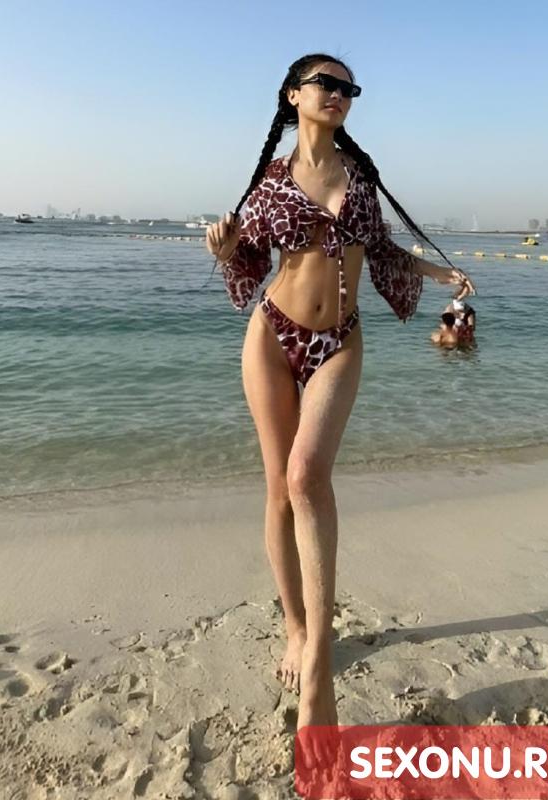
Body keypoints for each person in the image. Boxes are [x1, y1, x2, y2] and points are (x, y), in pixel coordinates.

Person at [205, 54, 476, 741]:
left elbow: (380, 251)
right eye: (327, 84)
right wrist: (226, 248)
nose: (339, 95)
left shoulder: (359, 177)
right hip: (273, 334)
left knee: (307, 476)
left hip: (340, 341)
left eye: (349, 88)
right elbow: (250, 261)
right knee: (278, 489)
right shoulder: (270, 181)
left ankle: (320, 671)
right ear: (293, 95)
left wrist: (439, 271)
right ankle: (296, 629)